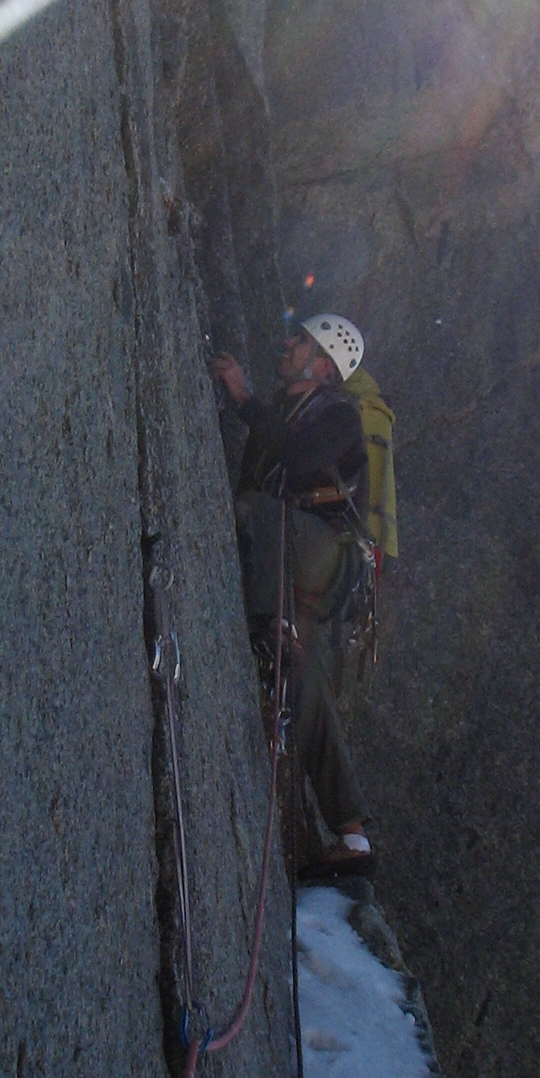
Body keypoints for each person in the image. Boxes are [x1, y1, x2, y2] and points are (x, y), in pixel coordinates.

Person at [209, 313, 373, 876]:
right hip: (305, 554)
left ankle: (269, 628)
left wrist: (245, 400)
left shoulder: (339, 415)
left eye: (299, 342)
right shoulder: (298, 410)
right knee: (302, 681)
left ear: (321, 365)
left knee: (253, 510)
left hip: (319, 554)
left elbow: (299, 457)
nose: (286, 344)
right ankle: (351, 833)